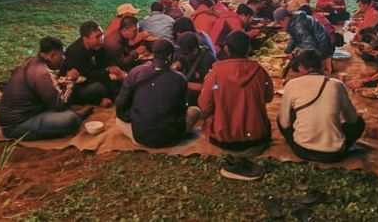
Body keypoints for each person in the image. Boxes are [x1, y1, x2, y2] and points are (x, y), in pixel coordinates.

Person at [199, 31, 274, 180]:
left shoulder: (215, 74)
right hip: (257, 142)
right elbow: (268, 97)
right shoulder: (259, 72)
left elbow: (205, 107)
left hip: (223, 141)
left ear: (226, 49)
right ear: (248, 49)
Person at [277, 50, 365, 162]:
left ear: (300, 68)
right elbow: (352, 119)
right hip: (333, 154)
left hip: (302, 150)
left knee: (281, 118)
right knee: (360, 123)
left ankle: (304, 139)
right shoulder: (337, 84)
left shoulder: (292, 84)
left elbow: (285, 123)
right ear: (322, 65)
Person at [0, 36, 89, 141]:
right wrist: (70, 80)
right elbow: (60, 105)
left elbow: (47, 86)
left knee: (68, 109)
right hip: (16, 126)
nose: (64, 58)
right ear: (52, 55)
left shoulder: (34, 62)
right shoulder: (41, 73)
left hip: (25, 114)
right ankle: (75, 118)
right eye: (62, 54)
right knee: (71, 119)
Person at [115, 39, 200, 148]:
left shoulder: (135, 72)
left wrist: (136, 117)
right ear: (170, 57)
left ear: (153, 54)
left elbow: (121, 107)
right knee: (195, 111)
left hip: (140, 137)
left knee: (118, 121)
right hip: (171, 138)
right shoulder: (180, 79)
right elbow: (181, 111)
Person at [62, 21, 123, 107]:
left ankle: (114, 97)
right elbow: (88, 75)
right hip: (79, 86)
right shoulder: (75, 53)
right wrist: (107, 71)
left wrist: (113, 68)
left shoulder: (97, 46)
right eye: (97, 37)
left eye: (102, 34)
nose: (102, 39)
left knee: (117, 78)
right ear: (85, 39)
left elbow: (104, 61)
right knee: (97, 88)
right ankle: (99, 100)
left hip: (93, 77)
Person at [274, 7, 334, 75]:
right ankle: (322, 63)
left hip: (322, 46)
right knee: (295, 62)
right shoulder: (294, 21)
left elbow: (309, 46)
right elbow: (293, 38)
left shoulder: (299, 25)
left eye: (280, 23)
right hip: (320, 43)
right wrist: (287, 51)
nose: (280, 25)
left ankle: (321, 67)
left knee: (295, 65)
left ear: (285, 19)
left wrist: (294, 55)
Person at [173, 32, 217, 106]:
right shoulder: (186, 55)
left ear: (195, 50)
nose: (182, 55)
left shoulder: (208, 60)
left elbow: (206, 87)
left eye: (185, 54)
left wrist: (182, 83)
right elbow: (179, 63)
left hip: (199, 100)